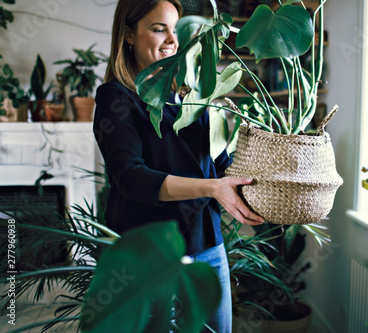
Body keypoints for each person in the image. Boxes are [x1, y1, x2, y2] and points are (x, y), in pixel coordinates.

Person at [93, 0, 264, 331]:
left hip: (209, 248)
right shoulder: (115, 98)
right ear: (129, 34)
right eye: (159, 29)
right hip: (154, 256)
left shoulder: (189, 97)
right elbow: (130, 177)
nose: (172, 40)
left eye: (176, 30)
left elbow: (220, 163)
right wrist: (212, 188)